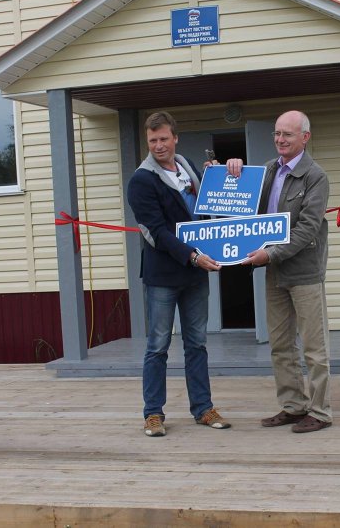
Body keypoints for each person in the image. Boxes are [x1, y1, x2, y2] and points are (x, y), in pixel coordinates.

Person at [127, 111, 231, 437]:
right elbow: (155, 232)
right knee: (157, 346)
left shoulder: (187, 167)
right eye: (152, 140)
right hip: (163, 276)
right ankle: (153, 414)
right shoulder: (141, 180)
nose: (159, 146)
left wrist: (217, 176)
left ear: (175, 138)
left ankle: (203, 408)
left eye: (163, 139)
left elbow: (207, 205)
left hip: (194, 274)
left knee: (197, 344)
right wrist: (193, 256)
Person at [229, 110, 332, 433]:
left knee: (314, 348)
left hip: (302, 271)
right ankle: (293, 405)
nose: (280, 140)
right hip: (274, 271)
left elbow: (308, 229)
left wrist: (270, 254)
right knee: (280, 344)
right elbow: (239, 204)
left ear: (305, 137)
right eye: (276, 133)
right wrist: (227, 173)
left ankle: (320, 411)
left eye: (287, 134)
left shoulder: (315, 176)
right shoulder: (267, 171)